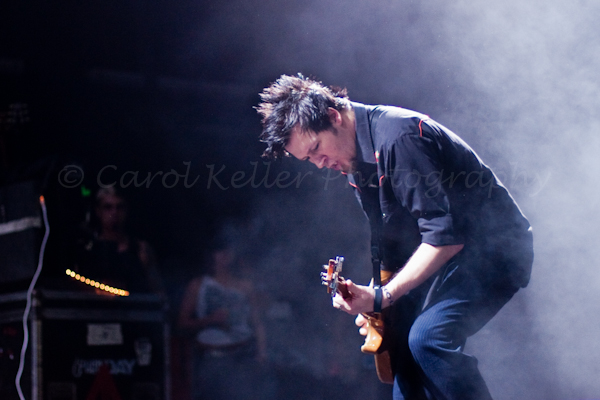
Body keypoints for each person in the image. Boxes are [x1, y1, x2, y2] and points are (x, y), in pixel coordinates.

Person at [255, 74, 533, 400]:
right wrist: (371, 299)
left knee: (428, 339)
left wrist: (382, 298)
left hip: (497, 248)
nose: (319, 164)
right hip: (450, 256)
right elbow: (395, 246)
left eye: (316, 149)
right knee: (404, 351)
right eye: (309, 159)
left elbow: (445, 237)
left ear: (333, 116)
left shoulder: (398, 139)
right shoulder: (357, 162)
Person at [177, 245, 268, 400]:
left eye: (228, 252)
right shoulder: (198, 285)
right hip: (210, 357)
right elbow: (182, 323)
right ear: (212, 255)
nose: (224, 257)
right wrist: (209, 320)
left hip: (241, 357)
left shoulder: (245, 286)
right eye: (220, 252)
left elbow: (257, 322)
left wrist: (262, 353)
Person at [76, 186, 164, 295]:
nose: (114, 212)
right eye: (108, 207)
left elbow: (157, 292)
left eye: (119, 207)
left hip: (133, 309)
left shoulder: (140, 249)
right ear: (98, 211)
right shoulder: (87, 249)